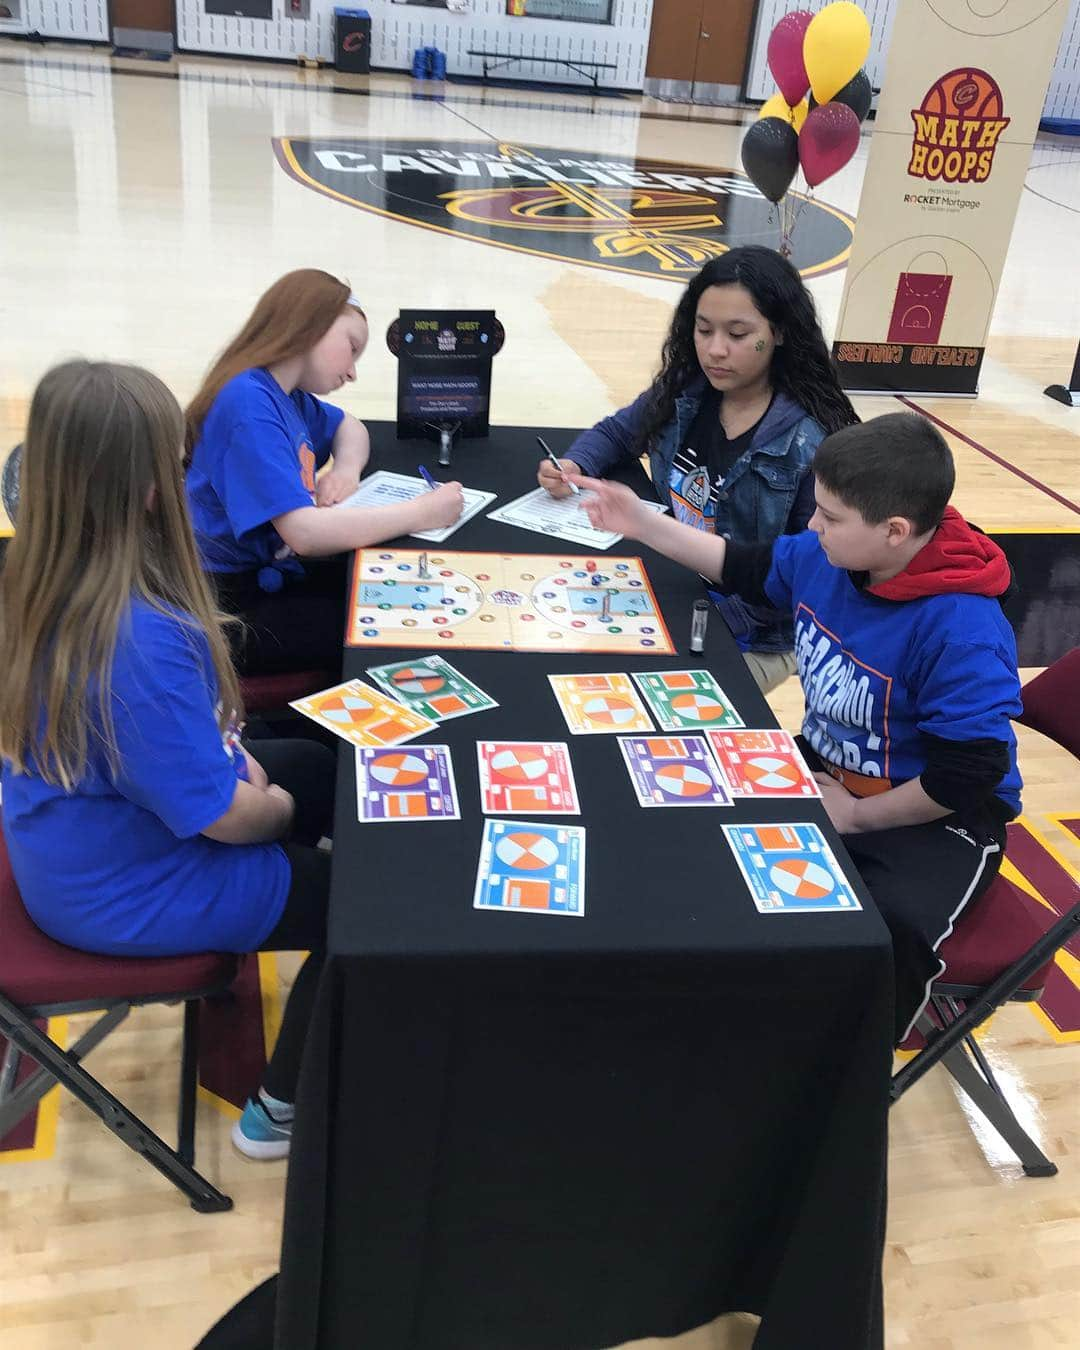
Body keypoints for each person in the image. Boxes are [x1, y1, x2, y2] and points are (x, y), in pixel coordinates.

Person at [569, 412, 1022, 1041]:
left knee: (882, 931)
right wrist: (640, 520)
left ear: (894, 532)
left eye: (830, 517)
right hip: (828, 768)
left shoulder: (962, 632)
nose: (813, 526)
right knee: (683, 820)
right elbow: (744, 564)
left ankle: (848, 1071)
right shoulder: (829, 556)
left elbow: (969, 775)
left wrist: (859, 817)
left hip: (936, 817)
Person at [0, 360, 336, 1158]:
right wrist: (274, 808)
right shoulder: (136, 644)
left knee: (322, 767)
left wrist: (237, 764)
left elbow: (175, 755)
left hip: (83, 839)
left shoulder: (41, 578)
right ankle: (280, 1113)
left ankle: (302, 864)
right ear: (150, 489)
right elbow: (222, 818)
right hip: (125, 890)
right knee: (364, 902)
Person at [538, 247, 858, 694]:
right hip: (676, 582)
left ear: (781, 332)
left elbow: (808, 576)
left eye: (738, 334)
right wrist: (575, 463)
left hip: (756, 630)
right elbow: (617, 432)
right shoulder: (687, 390)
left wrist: (698, 616)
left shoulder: (815, 441)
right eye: (703, 330)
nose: (715, 350)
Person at [185, 270, 464, 677]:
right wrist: (423, 512)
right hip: (225, 606)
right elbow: (305, 534)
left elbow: (350, 426)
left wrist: (346, 471)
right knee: (382, 626)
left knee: (383, 594)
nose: (352, 372)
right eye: (351, 348)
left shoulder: (283, 394)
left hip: (261, 578)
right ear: (308, 323)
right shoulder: (248, 402)